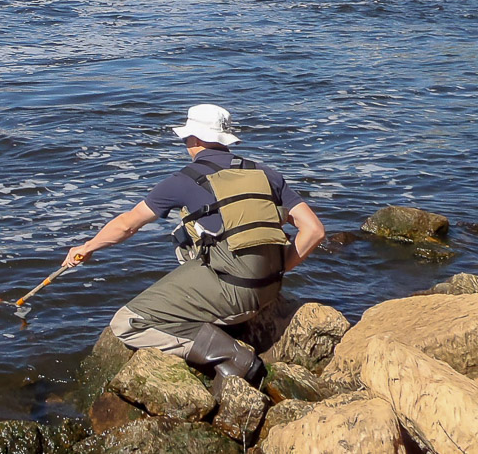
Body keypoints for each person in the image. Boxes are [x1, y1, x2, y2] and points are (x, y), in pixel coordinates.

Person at [64, 104, 325, 392]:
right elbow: (313, 230)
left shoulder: (184, 180)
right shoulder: (266, 173)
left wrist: (87, 247)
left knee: (127, 323)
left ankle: (232, 356)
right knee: (186, 233)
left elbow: (128, 224)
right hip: (269, 289)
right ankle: (222, 308)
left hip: (234, 295)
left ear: (195, 140)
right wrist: (279, 268)